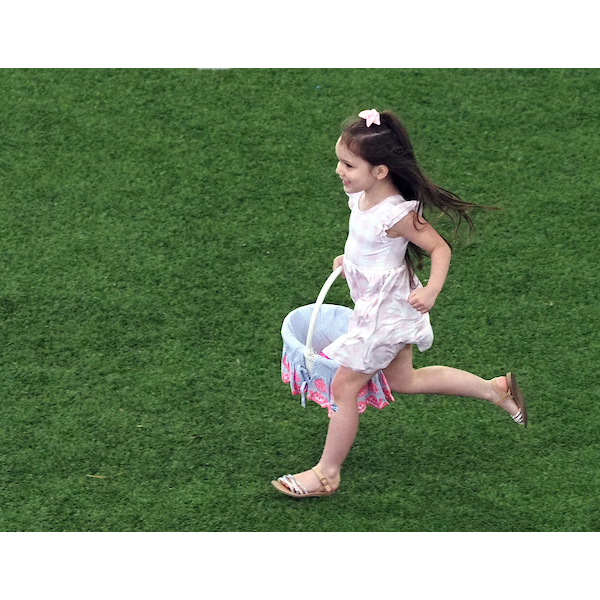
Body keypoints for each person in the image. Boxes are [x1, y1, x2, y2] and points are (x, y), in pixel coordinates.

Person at [272, 109, 527, 498]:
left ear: (380, 171)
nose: (340, 171)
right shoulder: (361, 196)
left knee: (344, 387)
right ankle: (495, 390)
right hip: (378, 306)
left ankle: (327, 474)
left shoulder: (396, 214)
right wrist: (350, 260)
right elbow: (369, 243)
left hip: (384, 314)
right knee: (402, 380)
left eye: (348, 165)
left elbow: (440, 249)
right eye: (340, 161)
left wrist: (431, 292)